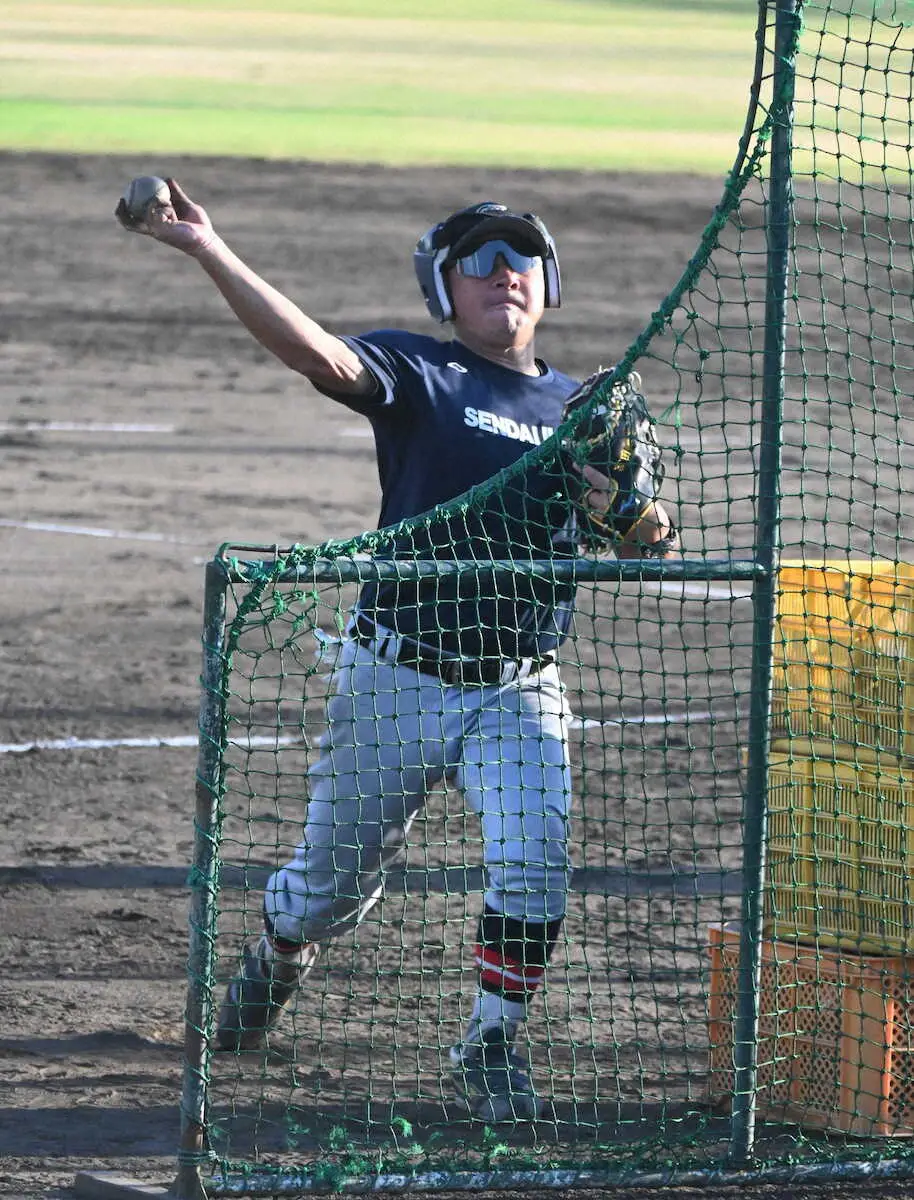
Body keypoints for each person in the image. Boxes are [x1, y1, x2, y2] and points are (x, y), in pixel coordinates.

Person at [117, 182, 680, 1123]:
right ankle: (282, 948)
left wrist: (633, 515)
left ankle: (489, 1040)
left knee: (536, 857)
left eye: (520, 259)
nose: (504, 273)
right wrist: (208, 249)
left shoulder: (584, 408)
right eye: (480, 261)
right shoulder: (423, 373)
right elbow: (317, 353)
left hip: (519, 684)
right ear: (443, 289)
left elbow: (654, 547)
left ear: (548, 284)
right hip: (398, 675)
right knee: (329, 891)